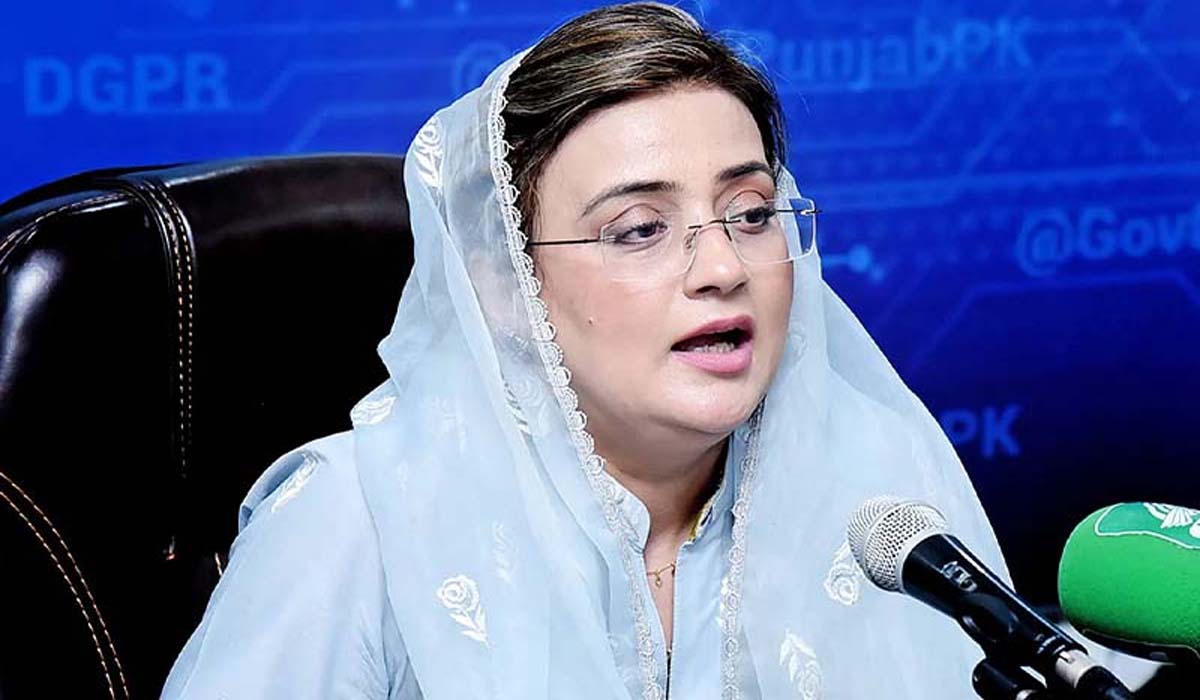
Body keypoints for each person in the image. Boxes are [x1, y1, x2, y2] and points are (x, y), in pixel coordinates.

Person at [162, 3, 1007, 698]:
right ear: (504, 287)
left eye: (751, 214)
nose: (723, 268)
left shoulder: (881, 501)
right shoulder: (357, 520)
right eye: (639, 229)